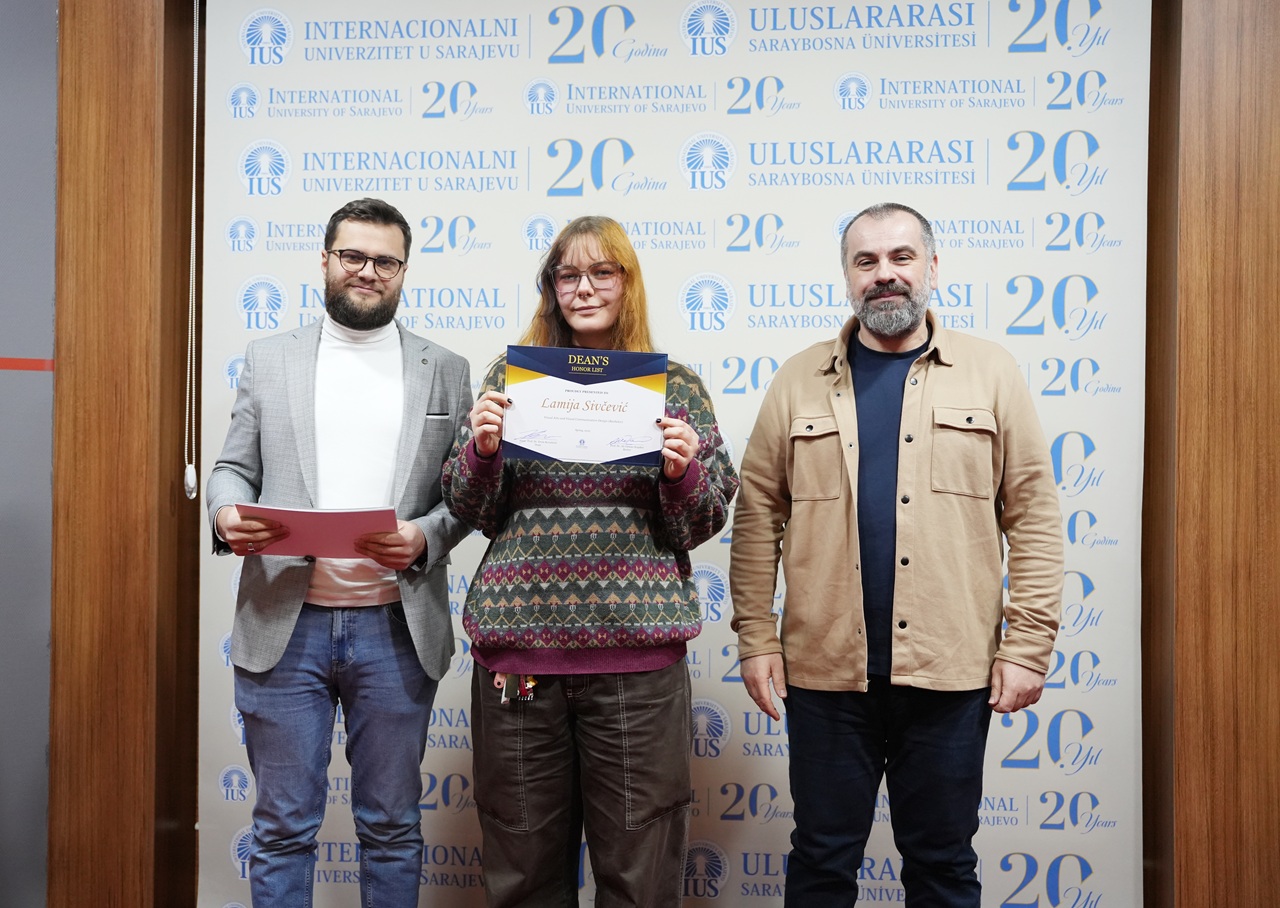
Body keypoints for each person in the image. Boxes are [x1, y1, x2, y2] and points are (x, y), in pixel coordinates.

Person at [729, 201, 1064, 906]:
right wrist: (756, 637)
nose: (885, 274)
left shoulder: (991, 373)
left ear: (932, 267)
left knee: (942, 865)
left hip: (951, 673)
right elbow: (757, 516)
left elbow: (1033, 515)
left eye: (901, 257)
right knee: (821, 862)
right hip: (826, 674)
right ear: (847, 276)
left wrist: (1028, 646)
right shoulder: (797, 380)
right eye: (867, 261)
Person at [442, 215, 738, 907]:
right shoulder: (508, 380)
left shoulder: (675, 387)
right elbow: (470, 507)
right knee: (522, 871)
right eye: (568, 275)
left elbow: (703, 520)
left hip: (636, 665)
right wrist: (482, 453)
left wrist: (681, 474)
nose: (584, 288)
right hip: (521, 664)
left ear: (627, 283)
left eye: (602, 273)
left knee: (639, 873)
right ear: (551, 287)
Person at [206, 198, 473, 906]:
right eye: (353, 256)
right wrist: (226, 513)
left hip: (396, 630)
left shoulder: (446, 369)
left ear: (403, 271)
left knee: (392, 827)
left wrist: (426, 535)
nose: (368, 271)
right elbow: (232, 468)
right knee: (281, 828)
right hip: (283, 627)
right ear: (325, 260)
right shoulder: (269, 359)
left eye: (385, 261)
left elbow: (466, 496)